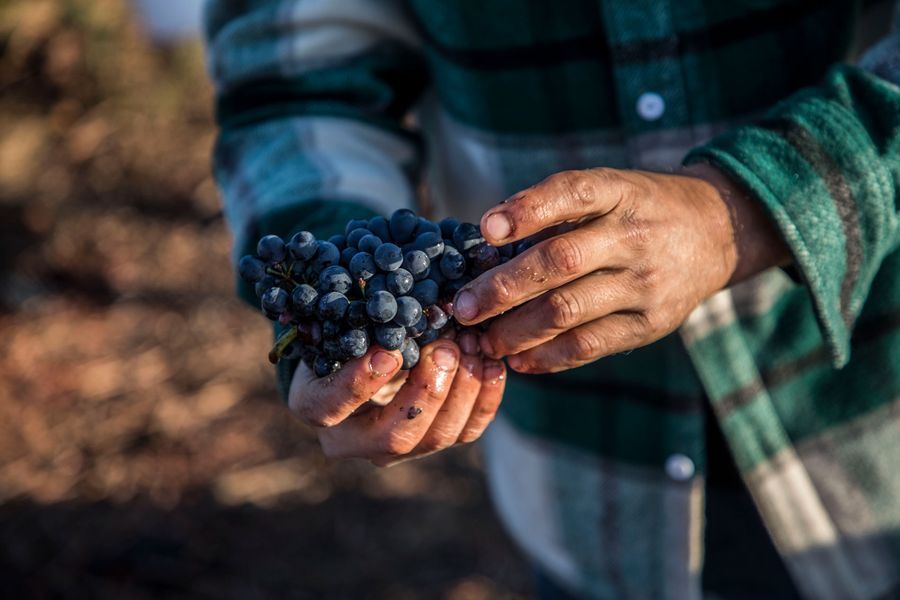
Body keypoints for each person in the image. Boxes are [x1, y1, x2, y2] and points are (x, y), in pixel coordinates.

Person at [203, 1, 900, 598]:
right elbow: (290, 80)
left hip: (868, 416)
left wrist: (745, 209)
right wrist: (329, 264)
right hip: (579, 479)